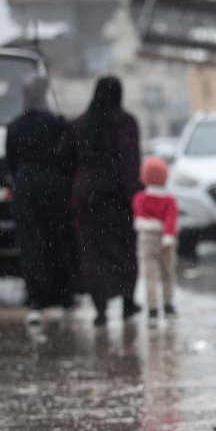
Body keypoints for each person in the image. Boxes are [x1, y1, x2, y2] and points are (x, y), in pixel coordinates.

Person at [59, 75, 142, 327]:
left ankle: (100, 308)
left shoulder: (78, 125)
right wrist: (135, 197)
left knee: (92, 252)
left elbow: (64, 160)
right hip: (117, 198)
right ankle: (127, 301)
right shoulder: (125, 123)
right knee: (123, 250)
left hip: (86, 199)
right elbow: (131, 162)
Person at [5, 74, 78, 324]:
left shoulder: (15, 126)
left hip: (26, 189)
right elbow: (69, 158)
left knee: (31, 245)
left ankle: (36, 300)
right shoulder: (56, 123)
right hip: (55, 188)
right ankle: (65, 297)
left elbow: (11, 163)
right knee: (58, 241)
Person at [132, 156, 179, 327]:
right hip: (166, 240)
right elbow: (171, 220)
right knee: (167, 274)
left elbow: (139, 216)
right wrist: (167, 236)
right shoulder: (169, 200)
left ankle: (152, 309)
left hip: (146, 238)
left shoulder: (140, 198)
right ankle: (168, 305)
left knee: (150, 275)